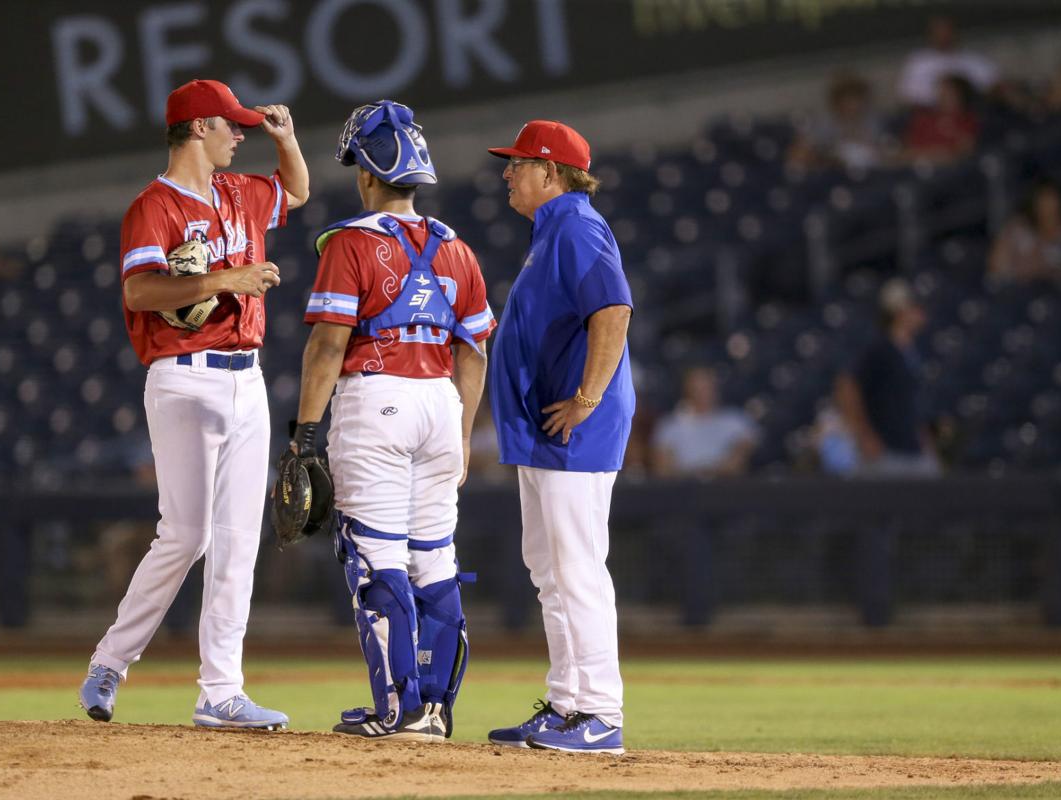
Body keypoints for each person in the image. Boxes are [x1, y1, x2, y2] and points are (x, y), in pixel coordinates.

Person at [78, 78, 309, 729]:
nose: (241, 135)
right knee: (185, 534)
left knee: (238, 540)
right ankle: (111, 662)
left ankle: (221, 693)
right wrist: (220, 279)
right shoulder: (154, 205)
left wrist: (287, 140)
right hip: (184, 375)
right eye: (231, 125)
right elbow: (141, 292)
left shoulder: (239, 193)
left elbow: (295, 191)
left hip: (248, 378)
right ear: (197, 128)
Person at [293, 100, 493, 742]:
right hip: (440, 402)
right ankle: (433, 710)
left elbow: (327, 347)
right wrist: (462, 431)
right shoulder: (456, 249)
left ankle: (396, 710)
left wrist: (302, 436)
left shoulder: (350, 243)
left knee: (374, 556)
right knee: (434, 559)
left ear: (366, 175)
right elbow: (474, 349)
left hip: (376, 399)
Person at [485, 121, 633, 754]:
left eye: (518, 164)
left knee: (576, 568)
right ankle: (568, 705)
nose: (507, 174)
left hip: (574, 427)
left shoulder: (575, 224)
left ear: (550, 172)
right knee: (549, 569)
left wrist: (587, 398)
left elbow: (614, 310)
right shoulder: (552, 231)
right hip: (547, 430)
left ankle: (599, 712)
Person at [834, 278, 940, 478]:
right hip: (887, 451)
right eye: (915, 307)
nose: (921, 313)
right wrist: (864, 435)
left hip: (911, 448)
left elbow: (912, 403)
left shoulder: (911, 351)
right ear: (899, 312)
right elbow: (847, 387)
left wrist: (925, 440)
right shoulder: (880, 348)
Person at [652, 366, 758, 478]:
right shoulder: (669, 425)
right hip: (682, 491)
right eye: (696, 386)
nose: (702, 392)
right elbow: (663, 470)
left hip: (727, 489)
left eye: (706, 385)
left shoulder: (737, 420)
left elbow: (738, 462)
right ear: (686, 388)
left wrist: (708, 474)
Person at [787, 72, 897, 173]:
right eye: (848, 100)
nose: (854, 106)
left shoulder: (872, 120)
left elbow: (886, 153)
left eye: (858, 99)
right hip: (834, 174)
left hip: (869, 174)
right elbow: (798, 156)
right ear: (837, 102)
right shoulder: (825, 122)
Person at [897, 15, 998, 108]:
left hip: (973, 113)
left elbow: (993, 85)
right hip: (931, 114)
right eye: (939, 31)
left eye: (947, 30)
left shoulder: (973, 59)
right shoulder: (918, 62)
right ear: (930, 35)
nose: (944, 35)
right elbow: (909, 96)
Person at [988, 179, 1061, 285]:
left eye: (1051, 200)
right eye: (1042, 200)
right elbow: (996, 270)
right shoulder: (1017, 228)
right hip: (1019, 291)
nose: (1047, 206)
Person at [902, 74, 979, 165]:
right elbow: (906, 150)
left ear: (960, 94)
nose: (942, 94)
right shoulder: (923, 119)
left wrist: (940, 154)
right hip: (915, 167)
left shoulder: (967, 120)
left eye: (948, 90)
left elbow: (964, 152)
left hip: (949, 172)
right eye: (940, 90)